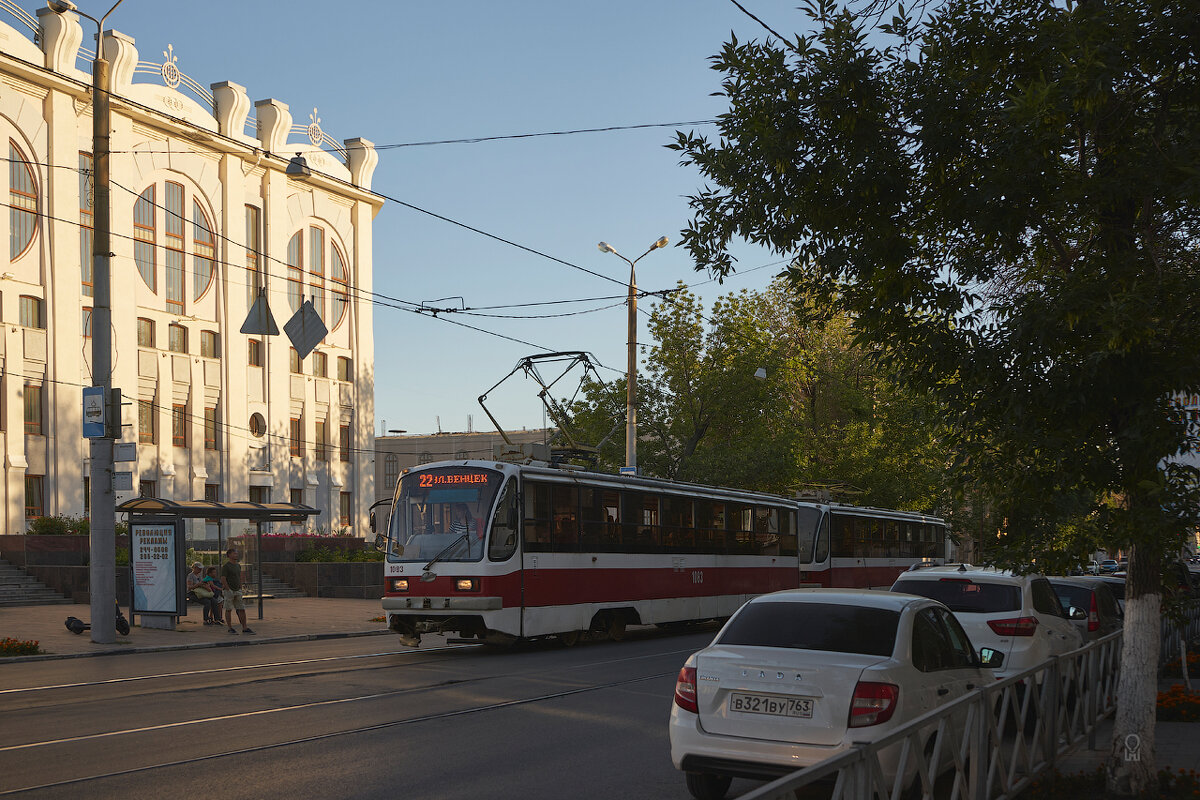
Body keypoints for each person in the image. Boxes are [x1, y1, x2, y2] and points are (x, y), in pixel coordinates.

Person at [220, 548, 255, 635]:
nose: (236, 555)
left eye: (236, 553)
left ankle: (245, 627)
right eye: (234, 553)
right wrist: (228, 589)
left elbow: (239, 577)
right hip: (229, 590)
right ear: (229, 555)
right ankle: (230, 627)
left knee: (241, 609)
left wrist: (240, 587)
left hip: (237, 590)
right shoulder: (226, 566)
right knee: (228, 609)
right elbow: (223, 578)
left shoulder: (238, 565)